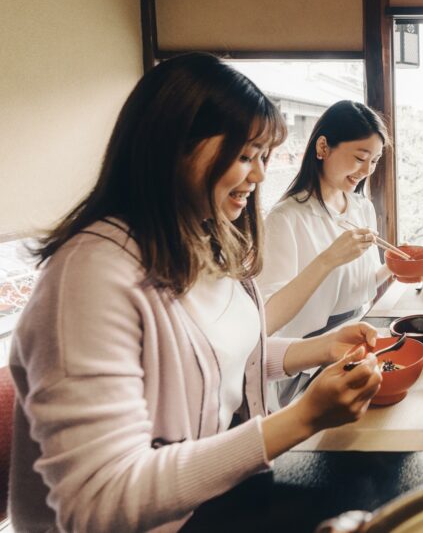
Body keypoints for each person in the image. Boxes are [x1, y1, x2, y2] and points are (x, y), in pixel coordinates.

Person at [9, 54, 383, 533]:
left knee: (372, 503)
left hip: (219, 492)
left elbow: (222, 355)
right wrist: (302, 418)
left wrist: (319, 349)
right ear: (173, 145)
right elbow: (97, 500)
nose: (260, 176)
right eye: (246, 156)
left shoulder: (203, 236)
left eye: (262, 157)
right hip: (169, 520)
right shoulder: (89, 276)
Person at [257, 100, 393, 407]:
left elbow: (360, 289)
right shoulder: (285, 218)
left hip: (357, 346)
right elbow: (266, 317)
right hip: (306, 365)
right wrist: (328, 259)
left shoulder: (361, 208)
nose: (367, 170)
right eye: (360, 157)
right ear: (323, 147)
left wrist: (394, 267)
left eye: (374, 161)